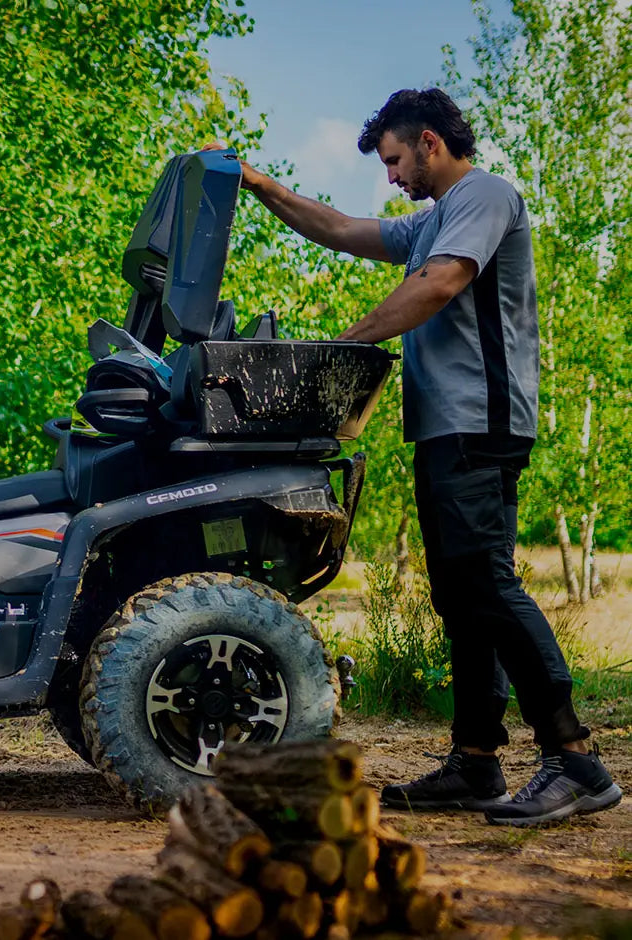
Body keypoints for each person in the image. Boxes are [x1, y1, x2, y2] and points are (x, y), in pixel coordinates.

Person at [205, 88, 622, 827]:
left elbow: (440, 284)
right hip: (444, 428)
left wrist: (343, 347)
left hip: (480, 423)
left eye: (395, 160)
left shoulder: (484, 195)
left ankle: (574, 759)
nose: (392, 176)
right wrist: (262, 185)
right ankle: (476, 762)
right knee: (461, 598)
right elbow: (336, 227)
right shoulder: (433, 220)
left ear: (429, 142)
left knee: (487, 587)